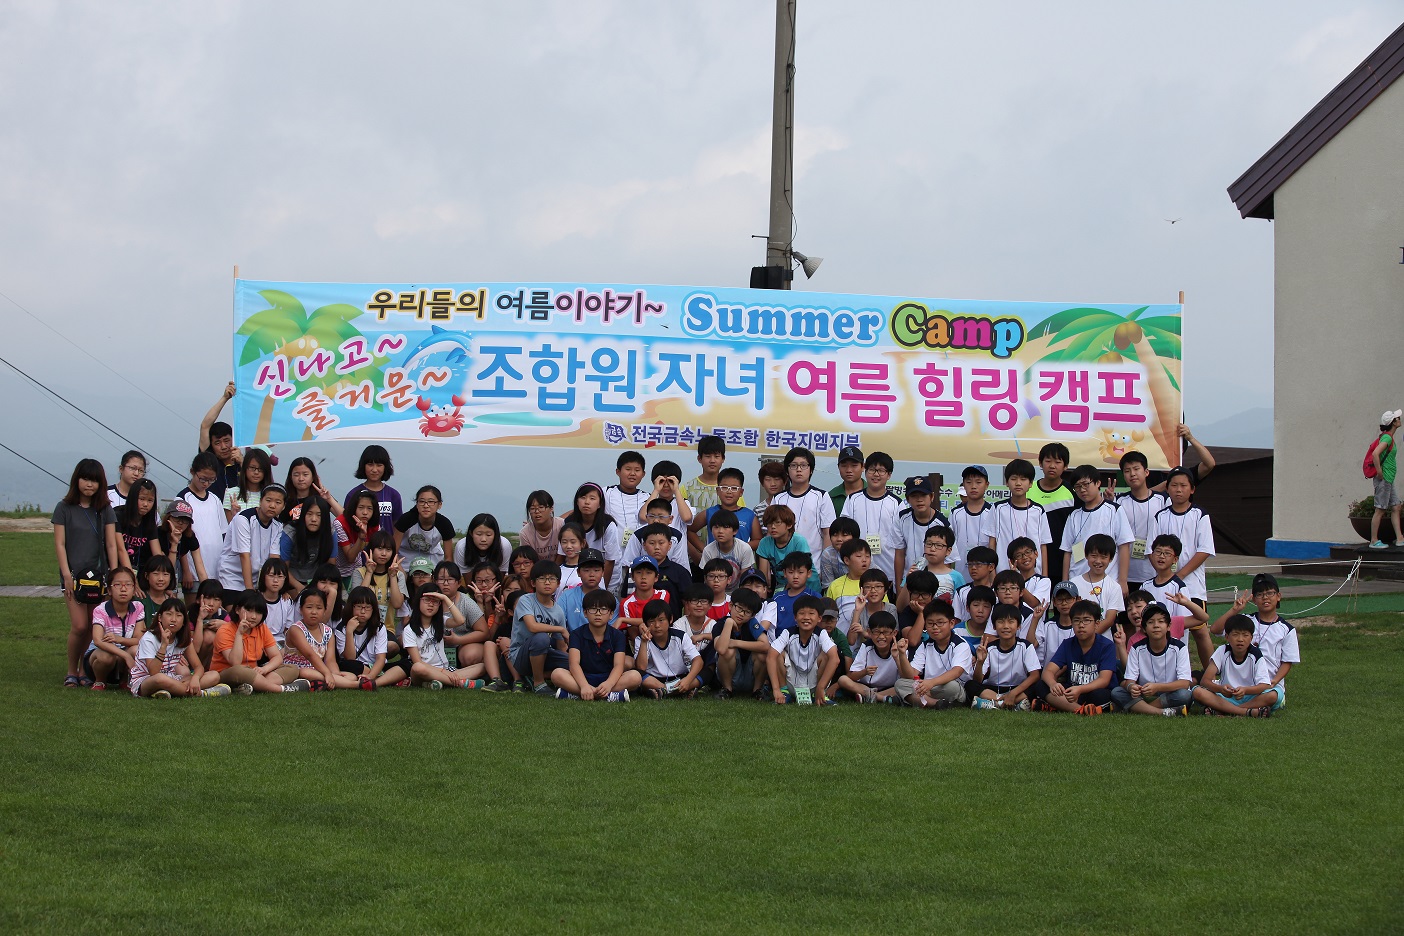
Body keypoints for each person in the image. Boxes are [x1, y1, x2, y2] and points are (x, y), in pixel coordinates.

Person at [54, 458, 121, 687]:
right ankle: (71, 670)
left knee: (93, 625)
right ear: (77, 480)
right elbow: (60, 544)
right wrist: (66, 575)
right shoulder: (64, 508)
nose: (89, 484)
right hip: (73, 576)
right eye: (85, 479)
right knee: (79, 625)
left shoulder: (105, 509)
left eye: (94, 480)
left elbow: (111, 544)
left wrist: (113, 576)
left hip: (99, 578)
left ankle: (84, 670)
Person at [1212, 573, 1298, 714]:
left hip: (1266, 686)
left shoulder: (1286, 629)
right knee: (1201, 691)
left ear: (1278, 596)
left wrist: (1275, 681)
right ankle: (1248, 710)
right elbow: (1215, 630)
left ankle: (1231, 709)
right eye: (1260, 594)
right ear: (1254, 599)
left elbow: (1287, 661)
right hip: (1239, 685)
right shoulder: (1245, 621)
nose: (1265, 598)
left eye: (1270, 593)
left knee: (1273, 696)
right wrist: (1235, 610)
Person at [204, 589, 309, 694]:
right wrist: (239, 634)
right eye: (249, 610)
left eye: (258, 612)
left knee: (292, 668)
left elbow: (277, 657)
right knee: (239, 670)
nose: (254, 616)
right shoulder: (225, 630)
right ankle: (280, 689)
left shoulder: (262, 628)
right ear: (237, 610)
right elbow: (235, 662)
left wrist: (265, 669)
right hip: (228, 673)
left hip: (254, 672)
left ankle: (253, 687)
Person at [552, 589, 640, 701]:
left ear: (611, 614)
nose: (598, 613)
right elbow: (574, 664)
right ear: (585, 613)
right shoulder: (576, 634)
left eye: (603, 609)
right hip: (583, 677)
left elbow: (618, 665)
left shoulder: (618, 635)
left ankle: (580, 694)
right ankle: (608, 695)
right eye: (593, 609)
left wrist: (608, 684)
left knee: (635, 677)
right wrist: (584, 685)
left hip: (609, 677)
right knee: (557, 674)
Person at [130, 597, 227, 698]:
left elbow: (198, 666)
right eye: (169, 614)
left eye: (179, 615)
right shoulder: (149, 638)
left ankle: (169, 691)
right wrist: (163, 645)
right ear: (160, 617)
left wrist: (195, 679)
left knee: (214, 675)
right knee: (160, 678)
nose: (173, 619)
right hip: (145, 680)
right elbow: (153, 672)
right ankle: (201, 693)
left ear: (184, 620)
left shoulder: (183, 638)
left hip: (171, 678)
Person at [1061, 464, 1133, 596]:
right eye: (1077, 487)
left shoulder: (1114, 510)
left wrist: (1123, 581)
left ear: (1098, 483)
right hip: (1077, 581)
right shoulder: (1074, 515)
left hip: (1107, 581)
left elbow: (1124, 546)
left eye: (1086, 484)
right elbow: (1067, 551)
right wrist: (1065, 582)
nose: (1082, 490)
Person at [1110, 602, 1192, 716]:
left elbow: (1185, 683)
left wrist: (1157, 687)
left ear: (1168, 626)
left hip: (1169, 692)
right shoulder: (1137, 648)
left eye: (1161, 621)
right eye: (1150, 622)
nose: (1156, 625)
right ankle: (1162, 712)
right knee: (1117, 692)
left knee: (1184, 695)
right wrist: (1132, 687)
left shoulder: (1179, 647)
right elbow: (1130, 680)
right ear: (1144, 628)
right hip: (1144, 693)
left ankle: (1139, 708)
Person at [1038, 599, 1118, 715]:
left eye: (1086, 620)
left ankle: (1060, 706)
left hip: (1092, 691)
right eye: (1076, 621)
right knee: (1041, 685)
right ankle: (1081, 710)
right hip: (1072, 690)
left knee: (1100, 695)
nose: (1081, 625)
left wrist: (1080, 689)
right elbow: (1048, 670)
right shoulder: (1067, 644)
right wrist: (1053, 684)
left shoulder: (1107, 645)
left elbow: (1104, 680)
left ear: (1096, 624)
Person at [1150, 467, 1215, 605]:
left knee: (1195, 619)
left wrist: (1179, 576)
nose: (1178, 490)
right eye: (1174, 485)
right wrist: (1165, 575)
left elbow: (1204, 550)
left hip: (1193, 587)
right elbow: (1151, 550)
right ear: (1167, 489)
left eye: (1183, 485)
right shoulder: (1159, 517)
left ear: (1192, 489)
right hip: (1164, 586)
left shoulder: (1200, 515)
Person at [1192, 614, 1276, 717]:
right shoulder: (1222, 650)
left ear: (1251, 638)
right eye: (1235, 635)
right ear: (1227, 637)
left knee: (1273, 695)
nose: (1240, 639)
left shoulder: (1256, 654)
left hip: (1249, 696)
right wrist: (1221, 689)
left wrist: (1245, 690)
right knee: (1197, 692)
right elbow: (1205, 681)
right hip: (1225, 696)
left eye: (1245, 635)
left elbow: (1265, 685)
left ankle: (1225, 710)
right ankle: (1246, 712)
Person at [399, 584, 482, 688]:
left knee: (482, 666)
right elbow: (417, 661)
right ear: (418, 601)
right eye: (427, 600)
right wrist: (443, 672)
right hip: (424, 671)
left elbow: (460, 620)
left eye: (435, 601)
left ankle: (436, 683)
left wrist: (445, 598)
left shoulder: (441, 621)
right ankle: (461, 683)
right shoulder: (409, 630)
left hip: (445, 669)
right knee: (417, 667)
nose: (431, 604)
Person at [895, 599, 973, 709]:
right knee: (900, 684)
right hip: (929, 686)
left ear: (951, 623)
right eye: (930, 623)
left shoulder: (960, 644)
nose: (935, 627)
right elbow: (911, 674)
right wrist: (902, 654)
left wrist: (931, 683)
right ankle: (936, 703)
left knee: (952, 686)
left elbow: (956, 672)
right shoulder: (925, 645)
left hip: (950, 687)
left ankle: (921, 699)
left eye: (940, 623)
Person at [216, 483, 288, 599]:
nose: (272, 505)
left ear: (284, 506)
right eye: (268, 500)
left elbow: (274, 558)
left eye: (278, 502)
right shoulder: (243, 519)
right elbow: (244, 555)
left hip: (256, 579)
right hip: (231, 578)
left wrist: (279, 588)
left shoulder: (278, 525)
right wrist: (249, 591)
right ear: (260, 501)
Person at [840, 451, 903, 582]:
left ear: (889, 475)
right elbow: (845, 531)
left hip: (888, 570)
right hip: (857, 572)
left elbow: (901, 541)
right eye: (872, 470)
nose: (876, 474)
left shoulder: (897, 503)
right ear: (865, 470)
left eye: (881, 471)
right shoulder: (852, 499)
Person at [508, 560, 570, 693]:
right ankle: (539, 683)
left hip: (545, 654)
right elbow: (532, 627)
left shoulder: (558, 611)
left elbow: (561, 646)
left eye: (552, 579)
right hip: (520, 656)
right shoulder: (526, 600)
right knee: (541, 638)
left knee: (574, 662)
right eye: (542, 578)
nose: (547, 582)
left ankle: (534, 677)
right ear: (533, 583)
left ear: (558, 583)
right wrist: (561, 629)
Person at [982, 458, 1052, 575]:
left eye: (1023, 479)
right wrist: (993, 575)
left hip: (1034, 575)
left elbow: (1043, 545)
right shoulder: (998, 508)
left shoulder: (1038, 510)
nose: (1018, 483)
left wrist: (1044, 577)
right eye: (1014, 479)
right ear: (1007, 482)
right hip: (1004, 574)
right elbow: (992, 543)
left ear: (1030, 483)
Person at [766, 594, 839, 705]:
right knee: (777, 653)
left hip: (815, 685)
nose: (806, 617)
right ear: (795, 617)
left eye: (811, 613)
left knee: (827, 654)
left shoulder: (821, 633)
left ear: (819, 618)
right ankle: (784, 692)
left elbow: (835, 659)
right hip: (790, 682)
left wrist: (821, 687)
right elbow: (770, 656)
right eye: (801, 613)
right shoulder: (788, 633)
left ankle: (819, 694)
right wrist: (776, 689)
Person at [283, 587, 361, 690]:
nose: (314, 612)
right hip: (296, 669)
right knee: (305, 672)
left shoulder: (328, 631)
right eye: (309, 607)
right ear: (301, 609)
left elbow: (330, 660)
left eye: (319, 608)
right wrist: (327, 674)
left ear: (325, 610)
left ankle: (324, 682)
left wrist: (335, 674)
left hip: (319, 670)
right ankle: (356, 685)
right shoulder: (296, 629)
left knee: (351, 676)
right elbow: (310, 655)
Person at [82, 567, 145, 690]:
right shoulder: (101, 610)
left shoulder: (138, 607)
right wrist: (125, 655)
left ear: (134, 590)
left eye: (128, 585)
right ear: (109, 590)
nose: (123, 589)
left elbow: (139, 639)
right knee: (107, 656)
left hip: (123, 659)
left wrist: (119, 639)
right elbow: (98, 640)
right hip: (99, 658)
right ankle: (100, 681)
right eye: (117, 585)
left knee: (136, 649)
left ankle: (124, 681)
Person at [969, 604, 1041, 710]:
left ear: (1018, 626)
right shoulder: (989, 648)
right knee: (970, 685)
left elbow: (1035, 675)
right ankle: (1009, 703)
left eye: (1011, 622)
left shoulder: (1026, 646)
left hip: (1018, 688)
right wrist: (980, 662)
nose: (1006, 626)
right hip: (993, 690)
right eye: (1001, 622)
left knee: (1039, 685)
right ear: (994, 627)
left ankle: (993, 704)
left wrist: (1013, 693)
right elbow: (977, 680)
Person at [1115, 450, 1169, 589]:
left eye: (1136, 469)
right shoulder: (1119, 502)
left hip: (1155, 572)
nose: (1132, 474)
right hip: (1126, 575)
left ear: (1146, 472)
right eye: (1127, 471)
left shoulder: (1163, 500)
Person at [1027, 442, 1076, 585]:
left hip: (1062, 562)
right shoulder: (1029, 489)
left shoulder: (1072, 492)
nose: (1052, 466)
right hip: (1032, 561)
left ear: (1065, 466)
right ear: (1040, 463)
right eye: (1048, 461)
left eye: (1058, 462)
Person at [635, 598, 704, 698]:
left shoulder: (680, 636)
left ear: (670, 619)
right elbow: (641, 668)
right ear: (646, 623)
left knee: (706, 671)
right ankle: (674, 690)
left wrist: (688, 680)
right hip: (655, 679)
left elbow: (698, 660)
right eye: (652, 621)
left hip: (680, 677)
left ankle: (664, 691)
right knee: (637, 674)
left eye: (661, 620)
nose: (657, 625)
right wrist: (644, 642)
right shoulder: (641, 639)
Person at [770, 446, 835, 553]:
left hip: (813, 560)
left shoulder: (822, 496)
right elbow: (771, 531)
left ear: (811, 470)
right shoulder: (778, 498)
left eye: (803, 465)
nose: (799, 470)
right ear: (787, 471)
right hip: (783, 560)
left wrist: (825, 560)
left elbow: (828, 532)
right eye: (793, 465)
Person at [179, 452, 229, 588]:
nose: (206, 483)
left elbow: (223, 532)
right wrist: (186, 570)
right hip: (193, 569)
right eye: (203, 479)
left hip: (217, 567)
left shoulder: (215, 499)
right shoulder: (183, 499)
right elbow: (179, 538)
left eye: (211, 480)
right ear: (192, 472)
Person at [891, 474, 950, 588]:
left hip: (934, 583)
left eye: (923, 495)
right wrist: (898, 587)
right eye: (914, 496)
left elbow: (947, 560)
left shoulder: (942, 523)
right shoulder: (901, 518)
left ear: (932, 496)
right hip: (908, 581)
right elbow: (899, 554)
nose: (919, 500)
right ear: (908, 499)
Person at [714, 587, 770, 699]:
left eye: (747, 612)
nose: (742, 614)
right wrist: (729, 623)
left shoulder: (751, 623)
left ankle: (757, 691)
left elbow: (765, 645)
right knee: (728, 652)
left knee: (762, 654)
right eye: (739, 608)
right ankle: (727, 690)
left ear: (752, 615)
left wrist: (735, 642)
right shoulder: (721, 624)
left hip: (750, 674)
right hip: (730, 675)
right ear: (730, 605)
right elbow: (720, 649)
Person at [562, 482, 622, 587]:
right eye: (583, 497)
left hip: (605, 577)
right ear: (577, 501)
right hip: (576, 576)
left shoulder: (608, 525)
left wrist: (602, 588)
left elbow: (610, 560)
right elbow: (563, 555)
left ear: (600, 504)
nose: (587, 502)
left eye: (592, 498)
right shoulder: (568, 522)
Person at [836, 610, 902, 703]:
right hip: (866, 687)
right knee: (843, 680)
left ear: (894, 633)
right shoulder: (866, 646)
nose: (881, 637)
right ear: (869, 632)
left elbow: (905, 677)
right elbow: (852, 676)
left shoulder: (900, 648)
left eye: (886, 632)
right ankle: (882, 698)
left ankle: (870, 697)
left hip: (890, 687)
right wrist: (864, 672)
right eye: (876, 632)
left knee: (905, 686)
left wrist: (897, 658)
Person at [334, 586, 391, 690]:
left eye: (367, 607)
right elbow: (350, 658)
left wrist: (371, 676)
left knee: (404, 665)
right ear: (351, 607)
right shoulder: (341, 629)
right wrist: (349, 632)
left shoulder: (379, 628)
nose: (363, 611)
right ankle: (384, 679)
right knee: (349, 665)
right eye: (359, 607)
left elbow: (381, 658)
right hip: (354, 666)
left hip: (375, 667)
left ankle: (370, 679)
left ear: (373, 609)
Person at [682, 435, 727, 561]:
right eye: (707, 456)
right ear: (699, 458)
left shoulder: (730, 490)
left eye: (716, 456)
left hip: (722, 558)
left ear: (723, 459)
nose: (712, 460)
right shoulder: (687, 488)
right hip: (692, 557)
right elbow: (681, 526)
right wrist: (694, 553)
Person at [1070, 533, 1124, 634]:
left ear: (1111, 559)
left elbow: (1109, 620)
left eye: (1103, 557)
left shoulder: (1114, 587)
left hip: (1103, 640)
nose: (1098, 561)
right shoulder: (1074, 583)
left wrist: (1089, 637)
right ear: (1086, 555)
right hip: (1077, 638)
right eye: (1094, 556)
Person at [197, 382, 241, 500]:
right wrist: (225, 398)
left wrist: (243, 462)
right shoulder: (209, 461)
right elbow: (205, 426)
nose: (223, 446)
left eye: (227, 441)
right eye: (217, 443)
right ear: (211, 445)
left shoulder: (243, 465)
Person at [343, 444, 401, 535]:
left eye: (379, 465)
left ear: (385, 467)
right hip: (360, 542)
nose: (374, 470)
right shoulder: (353, 494)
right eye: (370, 464)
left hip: (386, 543)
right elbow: (346, 521)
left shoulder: (394, 495)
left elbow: (397, 526)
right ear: (363, 466)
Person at [604, 451, 650, 563]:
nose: (632, 473)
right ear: (618, 471)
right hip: (611, 558)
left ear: (643, 474)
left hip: (640, 559)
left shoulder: (648, 498)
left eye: (637, 470)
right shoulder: (606, 493)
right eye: (628, 469)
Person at [281, 496, 333, 591]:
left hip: (317, 581)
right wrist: (299, 587)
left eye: (319, 515)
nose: (314, 519)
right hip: (290, 581)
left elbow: (330, 566)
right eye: (309, 514)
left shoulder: (331, 532)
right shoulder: (290, 533)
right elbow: (283, 568)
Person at [755, 504, 812, 590]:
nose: (773, 527)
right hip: (781, 586)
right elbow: (763, 575)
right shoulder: (764, 542)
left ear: (789, 525)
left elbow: (800, 572)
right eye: (769, 523)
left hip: (806, 585)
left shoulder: (799, 541)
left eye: (777, 522)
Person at [949, 465, 992, 579]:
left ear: (986, 485)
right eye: (969, 482)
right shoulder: (955, 514)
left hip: (987, 579)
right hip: (962, 576)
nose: (973, 486)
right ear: (964, 485)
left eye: (978, 482)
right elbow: (948, 546)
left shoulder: (993, 513)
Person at [115, 478, 163, 574]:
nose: (145, 504)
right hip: (118, 570)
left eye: (150, 500)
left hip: (140, 571)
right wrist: (131, 578)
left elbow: (157, 554)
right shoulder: (117, 515)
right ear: (133, 497)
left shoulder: (150, 522)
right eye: (141, 499)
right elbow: (121, 549)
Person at [1369, 408, 1402, 548]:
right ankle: (1374, 541)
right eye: (1397, 418)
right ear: (1393, 422)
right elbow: (1375, 454)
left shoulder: (1388, 437)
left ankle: (1400, 538)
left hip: (1388, 478)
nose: (1399, 419)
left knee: (1396, 506)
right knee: (1380, 509)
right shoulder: (1387, 438)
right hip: (1384, 479)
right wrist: (1379, 472)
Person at [698, 509, 756, 589]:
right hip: (715, 592)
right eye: (716, 527)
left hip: (738, 592)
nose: (720, 531)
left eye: (725, 527)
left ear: (735, 531)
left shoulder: (744, 549)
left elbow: (744, 579)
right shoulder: (708, 550)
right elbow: (707, 579)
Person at [618, 555, 670, 641]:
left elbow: (659, 620)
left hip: (663, 640)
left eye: (648, 573)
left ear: (656, 577)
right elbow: (633, 635)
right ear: (632, 577)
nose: (643, 577)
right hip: (639, 643)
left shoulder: (663, 595)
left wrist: (624, 619)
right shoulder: (626, 603)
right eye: (639, 572)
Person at [158, 500, 206, 592]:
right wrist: (174, 544)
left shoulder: (189, 536)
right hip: (156, 571)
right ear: (168, 517)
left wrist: (207, 591)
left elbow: (200, 568)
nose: (180, 523)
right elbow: (165, 568)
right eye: (177, 518)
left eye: (185, 521)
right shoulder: (159, 534)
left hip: (172, 571)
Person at [333, 490, 379, 584]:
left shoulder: (374, 526)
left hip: (358, 571)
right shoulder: (340, 523)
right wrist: (361, 537)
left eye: (369, 508)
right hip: (338, 573)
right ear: (354, 508)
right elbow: (350, 558)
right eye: (361, 507)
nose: (365, 512)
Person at [280, 456, 342, 523]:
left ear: (313, 477)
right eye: (296, 475)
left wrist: (329, 499)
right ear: (291, 477)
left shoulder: (322, 497)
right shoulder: (285, 500)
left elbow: (345, 518)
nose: (301, 479)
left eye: (305, 474)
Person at [826, 539, 871, 623]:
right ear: (846, 560)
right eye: (859, 556)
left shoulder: (875, 584)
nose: (864, 560)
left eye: (867, 556)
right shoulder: (835, 585)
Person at [222, 447, 273, 522]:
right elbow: (229, 526)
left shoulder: (270, 495)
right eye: (252, 468)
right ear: (245, 468)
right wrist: (234, 516)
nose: (256, 472)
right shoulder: (231, 493)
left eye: (260, 469)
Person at [518, 490, 564, 563]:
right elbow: (528, 559)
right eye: (532, 508)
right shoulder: (525, 533)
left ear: (551, 508)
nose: (537, 511)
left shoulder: (561, 525)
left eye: (541, 507)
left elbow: (563, 553)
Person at [817, 517, 858, 593]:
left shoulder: (863, 551)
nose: (839, 539)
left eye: (844, 535)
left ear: (855, 537)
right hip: (837, 594)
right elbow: (828, 586)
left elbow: (870, 580)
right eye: (835, 535)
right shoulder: (828, 554)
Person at [828, 445, 867, 516]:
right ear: (838, 467)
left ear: (863, 467)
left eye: (854, 465)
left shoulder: (873, 494)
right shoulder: (831, 496)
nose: (849, 470)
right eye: (844, 466)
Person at [755, 460, 789, 532]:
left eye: (777, 479)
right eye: (768, 480)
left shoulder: (790, 504)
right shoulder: (758, 510)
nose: (773, 484)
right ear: (762, 483)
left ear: (785, 482)